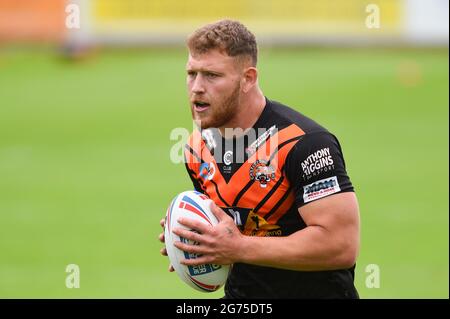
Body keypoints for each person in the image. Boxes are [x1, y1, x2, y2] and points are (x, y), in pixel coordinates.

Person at [158, 19, 360, 299]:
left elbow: (340, 245)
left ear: (248, 79)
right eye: (192, 74)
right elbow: (231, 232)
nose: (197, 88)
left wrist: (238, 247)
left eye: (212, 75)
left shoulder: (305, 144)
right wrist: (196, 243)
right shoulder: (196, 148)